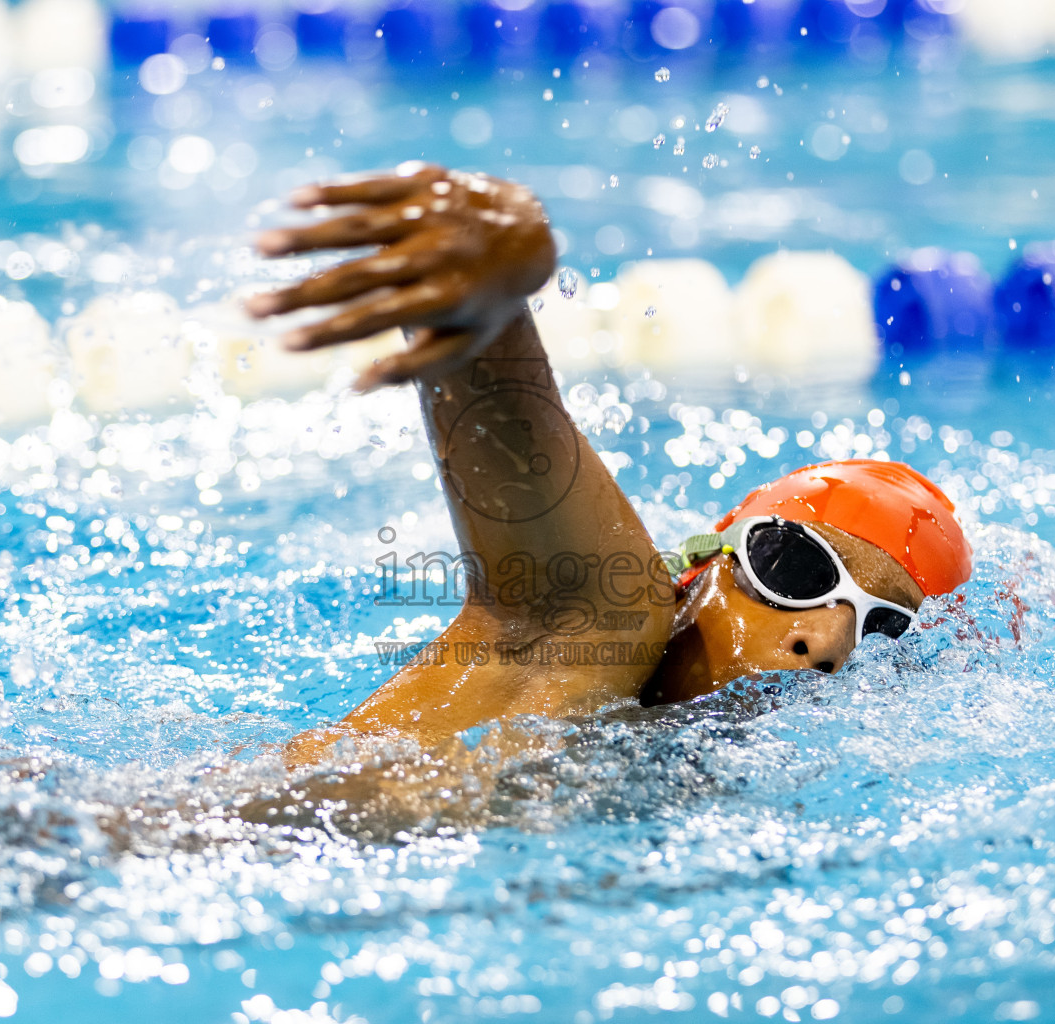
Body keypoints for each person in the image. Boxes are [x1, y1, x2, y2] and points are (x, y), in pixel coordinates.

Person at [243, 162, 973, 782]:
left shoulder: (684, 770)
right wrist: (481, 298)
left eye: (884, 630)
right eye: (797, 569)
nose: (828, 644)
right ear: (706, 560)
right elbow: (545, 549)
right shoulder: (611, 623)